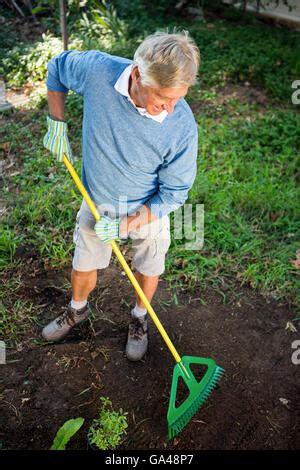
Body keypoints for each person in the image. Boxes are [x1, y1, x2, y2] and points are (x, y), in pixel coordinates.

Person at [41, 31, 200, 361]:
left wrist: (127, 224)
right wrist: (56, 123)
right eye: (162, 99)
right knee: (83, 260)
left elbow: (174, 193)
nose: (170, 110)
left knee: (149, 265)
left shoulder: (182, 126)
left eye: (177, 99)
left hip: (147, 209)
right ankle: (77, 310)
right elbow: (57, 68)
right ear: (138, 75)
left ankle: (140, 316)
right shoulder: (99, 71)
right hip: (96, 198)